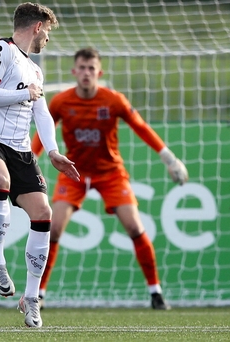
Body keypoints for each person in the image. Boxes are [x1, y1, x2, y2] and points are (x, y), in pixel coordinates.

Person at [30, 47, 188, 311]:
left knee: (135, 228)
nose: (86, 73)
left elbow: (141, 127)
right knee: (53, 228)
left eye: (91, 68)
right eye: (81, 68)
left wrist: (169, 158)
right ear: (74, 71)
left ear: (99, 73)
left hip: (110, 173)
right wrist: (28, 164)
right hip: (74, 172)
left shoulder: (113, 100)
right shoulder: (60, 102)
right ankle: (38, 293)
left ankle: (155, 293)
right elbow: (42, 135)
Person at [0, 2, 79, 328]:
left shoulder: (35, 70)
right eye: (48, 33)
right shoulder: (0, 49)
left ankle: (30, 299)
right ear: (38, 27)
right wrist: (22, 94)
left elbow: (41, 113)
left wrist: (54, 151)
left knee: (44, 213)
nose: (48, 41)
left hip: (21, 150)